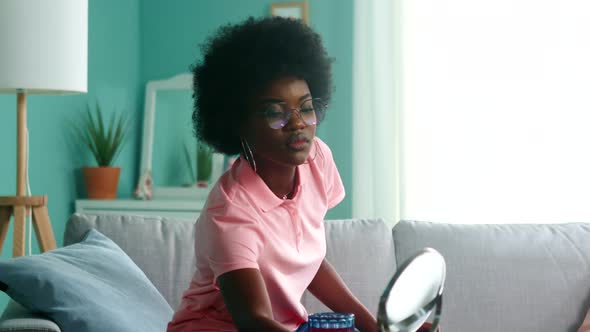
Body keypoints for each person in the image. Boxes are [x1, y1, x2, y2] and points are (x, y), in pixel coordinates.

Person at [167, 16, 377, 332]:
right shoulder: (230, 213)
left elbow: (308, 261)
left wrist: (379, 329)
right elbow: (254, 321)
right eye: (275, 113)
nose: (297, 124)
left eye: (306, 108)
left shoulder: (318, 160)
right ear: (239, 124)